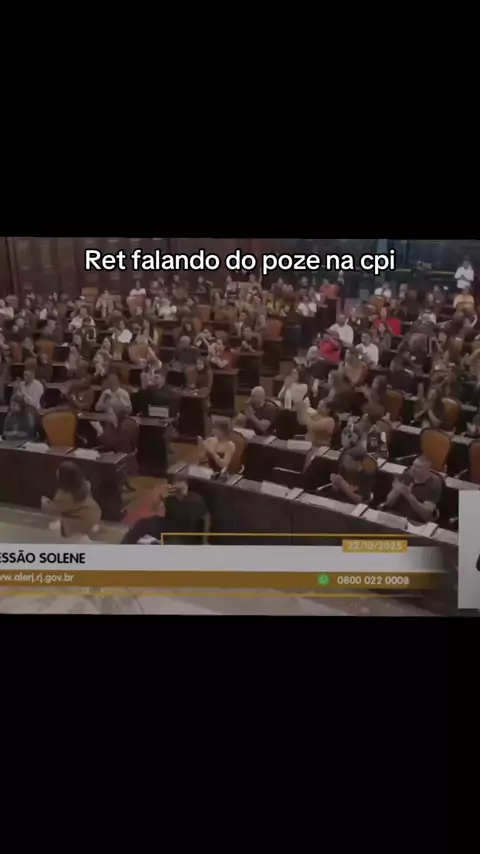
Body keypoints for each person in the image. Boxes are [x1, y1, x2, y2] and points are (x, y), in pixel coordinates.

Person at [121, 473, 207, 545]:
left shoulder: (196, 499)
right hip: (168, 526)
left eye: (181, 482)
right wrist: (161, 499)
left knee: (167, 544)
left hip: (184, 535)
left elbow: (193, 521)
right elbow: (155, 509)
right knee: (143, 523)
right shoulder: (171, 496)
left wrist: (183, 495)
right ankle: (122, 548)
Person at [41, 461, 101, 540]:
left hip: (80, 520)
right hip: (95, 515)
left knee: (54, 524)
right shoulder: (85, 484)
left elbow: (55, 510)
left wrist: (45, 504)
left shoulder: (64, 495)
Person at [383, 455, 442, 524]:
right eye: (413, 465)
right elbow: (388, 503)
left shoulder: (433, 485)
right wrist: (396, 491)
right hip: (395, 516)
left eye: (418, 467)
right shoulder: (406, 476)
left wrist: (409, 496)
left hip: (415, 522)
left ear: (426, 470)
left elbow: (426, 515)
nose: (413, 469)